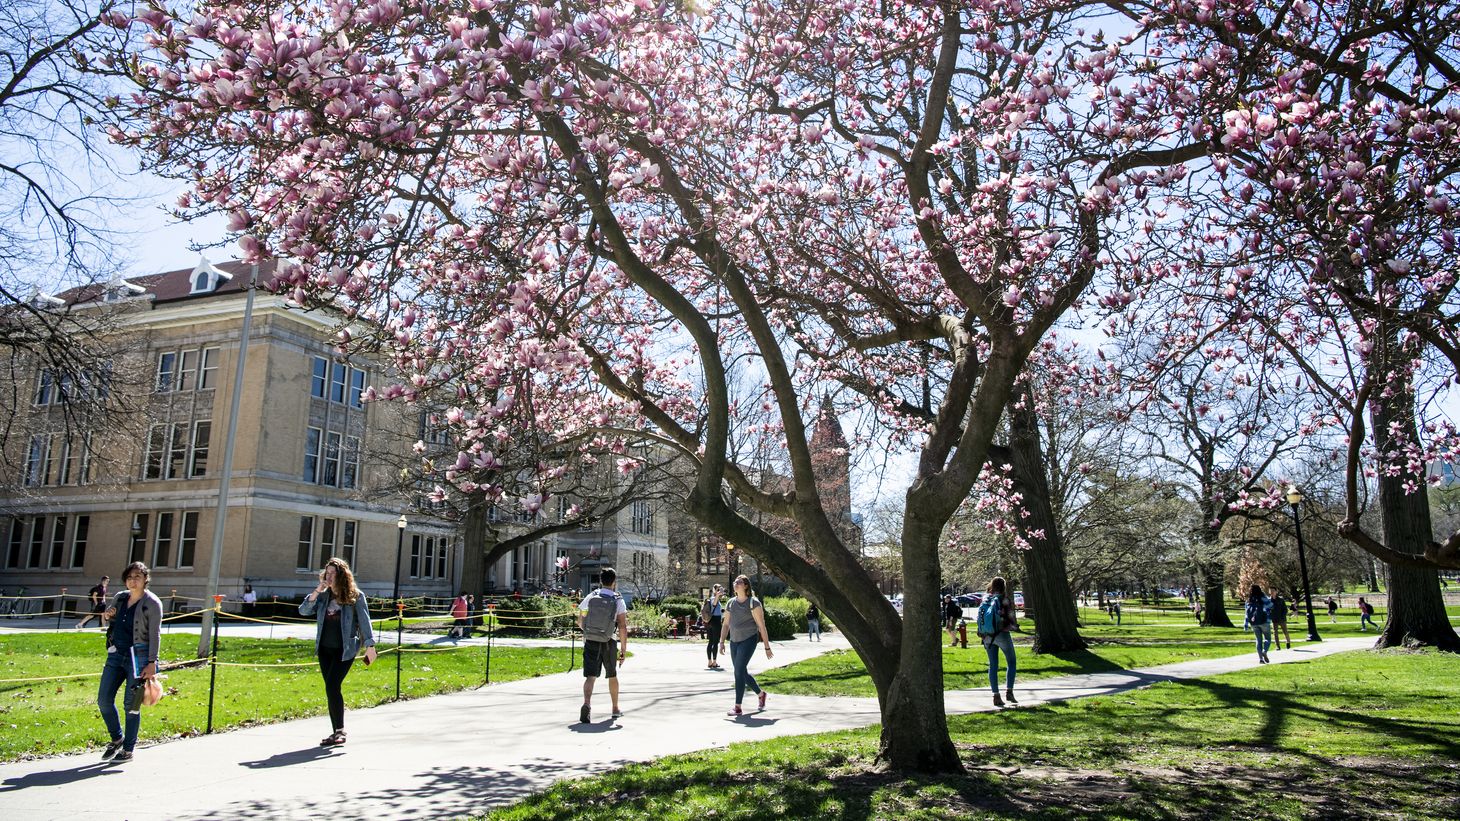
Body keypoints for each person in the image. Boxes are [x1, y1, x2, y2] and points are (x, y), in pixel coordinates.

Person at [299, 557, 377, 747]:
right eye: (327, 573)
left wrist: (370, 645)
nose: (329, 576)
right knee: (331, 689)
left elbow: (365, 621)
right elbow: (304, 611)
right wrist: (318, 590)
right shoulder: (323, 596)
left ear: (342, 575)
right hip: (325, 648)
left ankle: (340, 731)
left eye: (333, 573)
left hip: (345, 649)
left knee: (333, 686)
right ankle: (336, 731)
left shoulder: (355, 596)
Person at [96, 562, 162, 763]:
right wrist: (108, 616)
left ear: (145, 580)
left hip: (139, 659)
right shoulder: (120, 597)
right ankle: (117, 738)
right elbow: (113, 618)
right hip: (116, 655)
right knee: (104, 700)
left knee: (131, 704)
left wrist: (152, 663)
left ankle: (128, 749)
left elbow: (155, 634)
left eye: (138, 577)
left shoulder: (152, 603)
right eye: (130, 577)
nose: (133, 580)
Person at [577, 567, 628, 723]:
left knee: (590, 676)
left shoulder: (591, 596)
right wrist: (624, 649)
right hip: (609, 641)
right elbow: (622, 626)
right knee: (612, 675)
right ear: (614, 582)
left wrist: (587, 629)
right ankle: (615, 708)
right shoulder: (618, 599)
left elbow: (581, 618)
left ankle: (586, 704)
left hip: (591, 639)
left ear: (600, 581)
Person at [720, 574, 773, 716]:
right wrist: (721, 642)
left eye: (739, 582)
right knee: (741, 671)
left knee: (738, 671)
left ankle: (737, 707)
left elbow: (762, 626)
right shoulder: (731, 603)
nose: (735, 583)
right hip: (734, 641)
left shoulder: (753, 603)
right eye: (735, 582)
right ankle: (761, 694)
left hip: (749, 639)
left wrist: (767, 647)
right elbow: (725, 625)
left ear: (746, 586)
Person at [978, 576, 1019, 707]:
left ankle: (996, 695)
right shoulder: (1004, 599)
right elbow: (1012, 619)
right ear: (1004, 587)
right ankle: (1009, 692)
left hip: (987, 636)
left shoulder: (985, 599)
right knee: (1011, 661)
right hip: (1002, 635)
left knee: (993, 665)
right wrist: (1014, 627)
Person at [1245, 584, 1274, 663]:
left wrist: (1246, 624)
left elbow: (1246, 613)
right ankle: (1265, 651)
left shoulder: (1249, 600)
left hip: (1254, 623)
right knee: (1268, 638)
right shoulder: (1263, 597)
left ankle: (1260, 659)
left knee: (1258, 640)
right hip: (1264, 621)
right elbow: (1271, 605)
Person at [700, 584, 725, 669]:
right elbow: (714, 605)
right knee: (715, 642)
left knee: (710, 642)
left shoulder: (711, 599)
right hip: (715, 621)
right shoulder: (714, 599)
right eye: (718, 589)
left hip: (710, 622)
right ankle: (714, 662)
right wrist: (718, 595)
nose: (720, 591)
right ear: (714, 590)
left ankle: (709, 661)